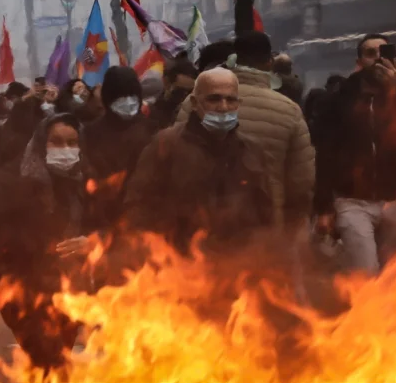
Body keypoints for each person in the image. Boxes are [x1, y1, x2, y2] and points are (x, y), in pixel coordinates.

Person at [0, 114, 89, 373]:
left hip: (69, 285)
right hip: (23, 284)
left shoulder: (84, 177)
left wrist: (91, 242)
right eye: (57, 142)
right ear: (42, 142)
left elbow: (108, 220)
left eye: (72, 143)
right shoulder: (14, 177)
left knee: (60, 354)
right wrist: (26, 226)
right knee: (45, 355)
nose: (65, 149)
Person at [177, 31, 315, 230]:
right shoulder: (289, 110)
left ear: (233, 59)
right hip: (263, 226)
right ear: (269, 63)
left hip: (200, 223)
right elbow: (301, 182)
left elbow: (176, 157)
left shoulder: (194, 102)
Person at [126, 68, 272, 254]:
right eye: (214, 99)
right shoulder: (166, 145)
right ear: (195, 103)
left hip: (237, 260)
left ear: (239, 104)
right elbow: (139, 204)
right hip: (179, 260)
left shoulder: (252, 150)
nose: (223, 107)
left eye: (231, 100)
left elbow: (266, 214)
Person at [312, 37, 396, 275]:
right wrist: (323, 206)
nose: (377, 59)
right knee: (366, 272)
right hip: (353, 201)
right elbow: (324, 154)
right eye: (370, 53)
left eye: (382, 53)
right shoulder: (338, 100)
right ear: (359, 61)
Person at [81, 67, 155, 233]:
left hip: (143, 215)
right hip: (102, 214)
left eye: (132, 96)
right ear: (108, 98)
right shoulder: (91, 132)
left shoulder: (152, 129)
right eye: (120, 97)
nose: (128, 102)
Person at [149, 59, 197, 130]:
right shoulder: (151, 113)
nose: (186, 98)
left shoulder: (195, 115)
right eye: (180, 91)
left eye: (189, 92)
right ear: (166, 81)